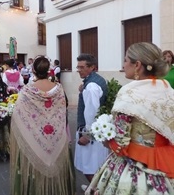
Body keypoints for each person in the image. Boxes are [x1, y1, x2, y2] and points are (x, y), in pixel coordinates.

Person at [85, 42, 174, 195]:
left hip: (132, 169)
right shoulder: (168, 90)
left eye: (126, 60)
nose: (123, 64)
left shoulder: (129, 93)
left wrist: (106, 140)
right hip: (165, 164)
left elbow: (120, 143)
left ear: (137, 65)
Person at [10, 56, 75, 195]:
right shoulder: (58, 89)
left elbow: (18, 113)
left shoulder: (28, 90)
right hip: (56, 135)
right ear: (49, 70)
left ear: (33, 70)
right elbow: (62, 111)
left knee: (35, 169)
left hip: (35, 136)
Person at [74, 54, 109, 190]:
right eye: (78, 67)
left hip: (91, 131)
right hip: (98, 129)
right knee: (95, 163)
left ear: (92, 67)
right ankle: (94, 188)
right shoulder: (95, 81)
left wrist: (87, 135)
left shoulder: (91, 86)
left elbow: (92, 112)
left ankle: (96, 190)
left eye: (82, 67)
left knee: (88, 165)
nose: (79, 70)